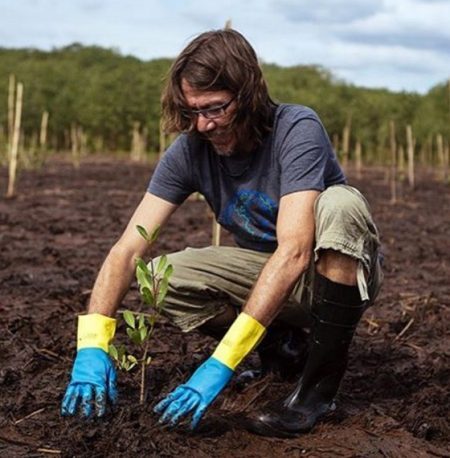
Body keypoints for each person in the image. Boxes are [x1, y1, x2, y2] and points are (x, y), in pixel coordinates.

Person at [61, 29, 383, 437]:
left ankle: (315, 391)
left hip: (331, 275)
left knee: (342, 203)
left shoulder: (297, 128)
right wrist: (92, 341)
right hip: (268, 275)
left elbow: (296, 252)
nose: (202, 125)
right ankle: (280, 348)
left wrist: (221, 362)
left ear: (248, 95)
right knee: (161, 277)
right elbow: (128, 249)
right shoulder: (191, 149)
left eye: (214, 109)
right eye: (191, 111)